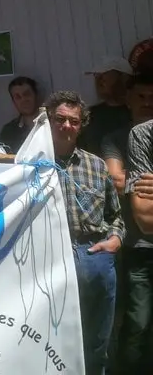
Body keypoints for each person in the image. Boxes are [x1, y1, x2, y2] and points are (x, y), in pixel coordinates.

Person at [47, 90, 124, 375]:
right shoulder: (30, 165)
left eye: (74, 121)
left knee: (97, 341)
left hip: (94, 256)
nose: (67, 126)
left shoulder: (96, 165)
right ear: (48, 120)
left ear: (81, 125)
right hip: (51, 259)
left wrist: (115, 240)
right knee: (53, 338)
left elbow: (115, 216)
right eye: (60, 119)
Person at [101, 74, 153, 373]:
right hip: (137, 245)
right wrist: (139, 182)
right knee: (137, 321)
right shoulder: (116, 138)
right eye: (141, 97)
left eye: (152, 97)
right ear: (129, 101)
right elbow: (116, 181)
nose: (147, 103)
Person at [79, 56, 133, 155]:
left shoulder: (139, 110)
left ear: (124, 78)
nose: (99, 80)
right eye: (96, 75)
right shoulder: (89, 114)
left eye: (104, 75)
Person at [0, 76, 40, 153]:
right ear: (14, 102)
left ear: (36, 95)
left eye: (27, 94)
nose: (23, 99)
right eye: (18, 97)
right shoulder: (8, 131)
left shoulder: (52, 123)